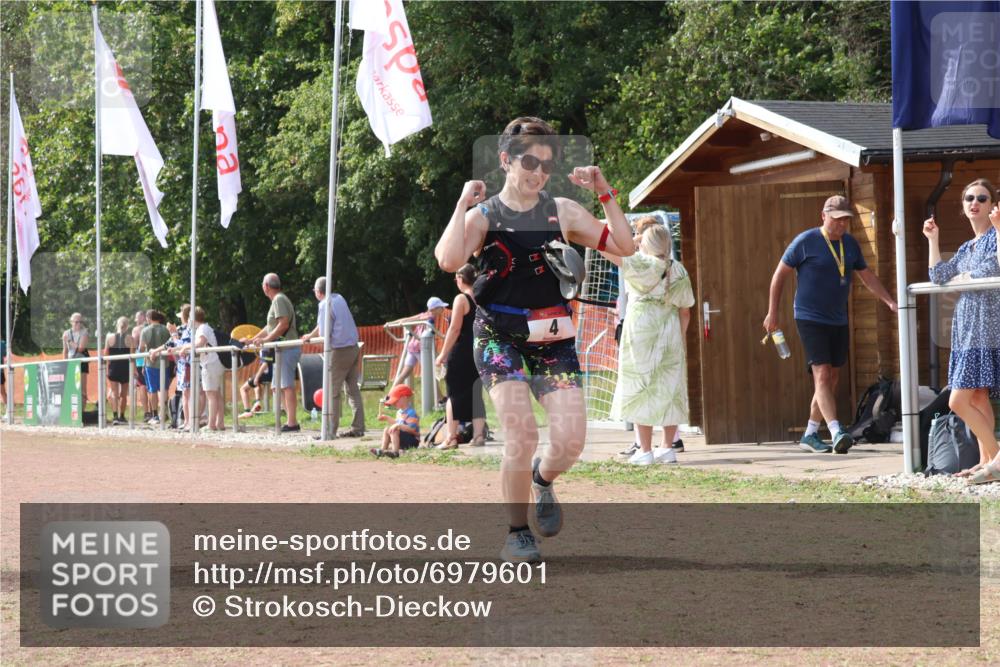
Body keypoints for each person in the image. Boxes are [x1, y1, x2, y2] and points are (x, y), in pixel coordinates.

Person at [434, 116, 634, 562]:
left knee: (571, 441)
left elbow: (625, 246)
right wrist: (462, 203)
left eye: (546, 164)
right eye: (529, 160)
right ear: (505, 160)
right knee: (520, 434)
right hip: (498, 335)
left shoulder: (561, 210)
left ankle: (542, 481)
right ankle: (517, 531)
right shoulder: (485, 216)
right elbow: (449, 260)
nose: (538, 171)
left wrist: (604, 190)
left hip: (552, 337)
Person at [764, 195, 898, 454]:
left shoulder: (849, 244)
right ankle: (837, 431)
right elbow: (779, 275)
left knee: (831, 377)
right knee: (822, 374)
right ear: (823, 216)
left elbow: (866, 276)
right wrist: (772, 313)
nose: (841, 225)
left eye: (846, 220)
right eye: (837, 219)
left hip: (838, 318)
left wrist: (889, 301)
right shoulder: (806, 241)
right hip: (809, 317)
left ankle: (810, 434)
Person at [924, 178, 1000, 485]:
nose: (975, 203)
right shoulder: (967, 246)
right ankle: (986, 462)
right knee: (978, 398)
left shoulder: (995, 236)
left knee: (957, 401)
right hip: (966, 327)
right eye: (969, 198)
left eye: (982, 198)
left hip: (986, 326)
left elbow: (993, 268)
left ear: (992, 204)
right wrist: (932, 239)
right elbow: (940, 275)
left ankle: (995, 456)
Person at [605, 224, 694, 465]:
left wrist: (632, 241)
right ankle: (667, 447)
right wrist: (680, 337)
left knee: (640, 386)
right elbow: (685, 311)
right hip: (670, 333)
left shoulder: (639, 263)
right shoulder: (679, 270)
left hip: (640, 332)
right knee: (670, 388)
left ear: (645, 242)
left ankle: (644, 449)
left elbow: (604, 248)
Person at [300, 276, 365, 438]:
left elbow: (324, 334)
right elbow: (324, 325)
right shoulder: (339, 298)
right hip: (353, 348)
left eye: (314, 290)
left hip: (340, 350)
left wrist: (312, 340)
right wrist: (310, 334)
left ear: (319, 291)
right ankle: (358, 427)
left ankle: (329, 431)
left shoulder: (323, 304)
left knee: (331, 391)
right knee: (352, 389)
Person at [434, 263, 487, 449]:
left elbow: (455, 329)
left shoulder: (461, 299)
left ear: (460, 279)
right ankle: (479, 436)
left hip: (462, 351)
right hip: (479, 350)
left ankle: (451, 437)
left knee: (454, 393)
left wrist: (442, 354)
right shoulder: (482, 297)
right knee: (476, 394)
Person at [245, 273, 300, 432]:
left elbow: (283, 325)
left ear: (266, 286)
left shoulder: (278, 300)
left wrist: (266, 340)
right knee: (278, 387)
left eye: (262, 284)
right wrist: (253, 339)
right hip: (281, 349)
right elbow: (270, 327)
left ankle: (292, 423)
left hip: (286, 349)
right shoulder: (278, 300)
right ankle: (289, 421)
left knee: (286, 386)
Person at [182, 307, 225, 431]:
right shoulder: (205, 327)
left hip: (210, 364)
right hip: (213, 363)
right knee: (216, 395)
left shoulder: (202, 329)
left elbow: (200, 343)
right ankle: (219, 423)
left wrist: (185, 347)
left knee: (211, 395)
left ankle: (211, 425)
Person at [389, 297, 447, 386]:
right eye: (441, 307)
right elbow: (432, 331)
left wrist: (390, 323)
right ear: (433, 309)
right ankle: (440, 398)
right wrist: (444, 336)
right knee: (430, 374)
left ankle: (389, 396)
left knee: (404, 374)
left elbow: (406, 319)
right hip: (421, 348)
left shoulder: (423, 315)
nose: (443, 309)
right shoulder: (429, 317)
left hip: (412, 347)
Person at [139, 310, 173, 425]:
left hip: (151, 364)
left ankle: (155, 415)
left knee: (152, 389)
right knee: (164, 388)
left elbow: (142, 348)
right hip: (165, 363)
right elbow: (170, 343)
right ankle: (164, 413)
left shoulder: (145, 330)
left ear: (149, 318)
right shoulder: (165, 329)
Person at [370, 384, 420, 459]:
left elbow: (412, 429)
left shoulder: (411, 413)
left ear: (404, 398)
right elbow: (397, 423)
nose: (394, 403)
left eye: (396, 400)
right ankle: (383, 450)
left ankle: (395, 452)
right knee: (387, 429)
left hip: (412, 441)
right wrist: (387, 418)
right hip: (402, 439)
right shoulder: (399, 412)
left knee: (395, 430)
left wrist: (398, 426)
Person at [104, 316, 134, 425]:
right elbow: (132, 357)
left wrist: (108, 367)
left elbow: (106, 353)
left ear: (117, 325)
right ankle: (122, 416)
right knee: (123, 394)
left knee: (114, 393)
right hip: (125, 368)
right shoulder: (131, 339)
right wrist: (134, 370)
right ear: (127, 326)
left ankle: (115, 416)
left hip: (113, 367)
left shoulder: (109, 337)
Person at [62, 313, 90, 407]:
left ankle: (82, 412)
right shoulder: (66, 333)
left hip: (81, 362)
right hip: (71, 362)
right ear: (71, 322)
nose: (79, 324)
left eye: (80, 322)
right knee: (70, 388)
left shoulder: (84, 332)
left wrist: (69, 341)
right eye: (76, 322)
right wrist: (64, 364)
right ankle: (72, 411)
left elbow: (81, 348)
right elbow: (65, 351)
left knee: (82, 389)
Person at [238, 349, 272, 419]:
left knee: (243, 389)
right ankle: (257, 401)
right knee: (255, 382)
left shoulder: (264, 349)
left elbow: (266, 363)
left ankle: (247, 411)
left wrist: (257, 376)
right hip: (271, 373)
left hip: (266, 374)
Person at [131, 310, 151, 421]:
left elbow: (133, 347)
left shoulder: (137, 330)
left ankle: (147, 412)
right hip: (150, 360)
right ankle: (153, 412)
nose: (135, 320)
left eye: (137, 318)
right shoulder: (151, 328)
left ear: (143, 317)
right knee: (151, 387)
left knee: (143, 387)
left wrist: (132, 362)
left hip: (140, 361)